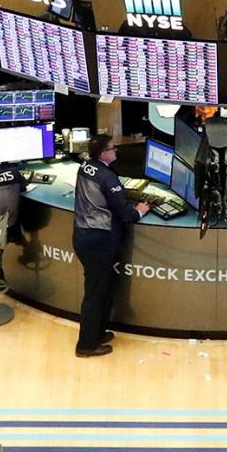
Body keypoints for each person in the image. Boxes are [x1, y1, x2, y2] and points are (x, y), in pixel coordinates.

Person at [71, 135, 146, 357]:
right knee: (95, 295)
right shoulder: (108, 178)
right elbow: (126, 214)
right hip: (99, 241)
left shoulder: (85, 166)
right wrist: (140, 210)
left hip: (83, 236)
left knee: (101, 290)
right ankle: (86, 345)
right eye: (113, 149)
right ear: (103, 154)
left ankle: (98, 333)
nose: (116, 152)